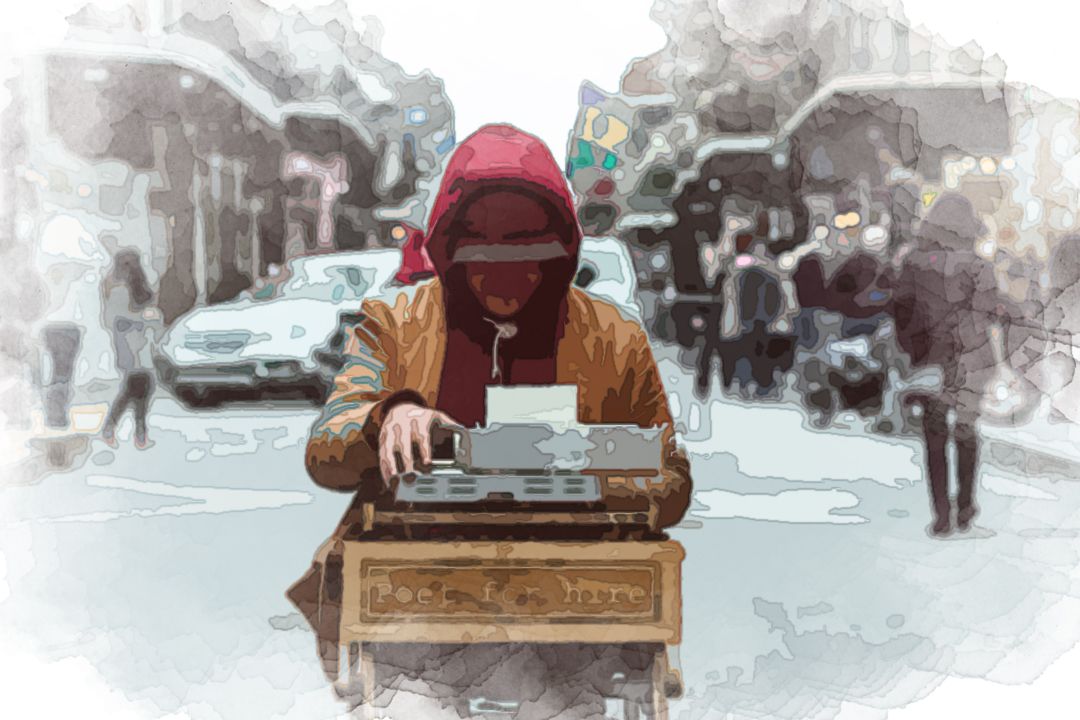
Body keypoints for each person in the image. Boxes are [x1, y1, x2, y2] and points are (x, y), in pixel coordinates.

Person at [288, 124, 692, 690]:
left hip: (577, 593)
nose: (506, 281)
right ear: (450, 257)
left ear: (560, 257)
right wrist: (388, 418)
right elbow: (326, 451)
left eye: (528, 263)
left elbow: (672, 484)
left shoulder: (615, 337)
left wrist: (589, 474)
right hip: (423, 580)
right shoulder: (395, 324)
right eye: (483, 263)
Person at [100, 249, 158, 449]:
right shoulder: (118, 288)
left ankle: (135, 433)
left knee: (139, 387)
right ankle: (129, 432)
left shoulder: (124, 285)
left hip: (136, 343)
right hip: (129, 344)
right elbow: (120, 319)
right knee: (138, 386)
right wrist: (144, 319)